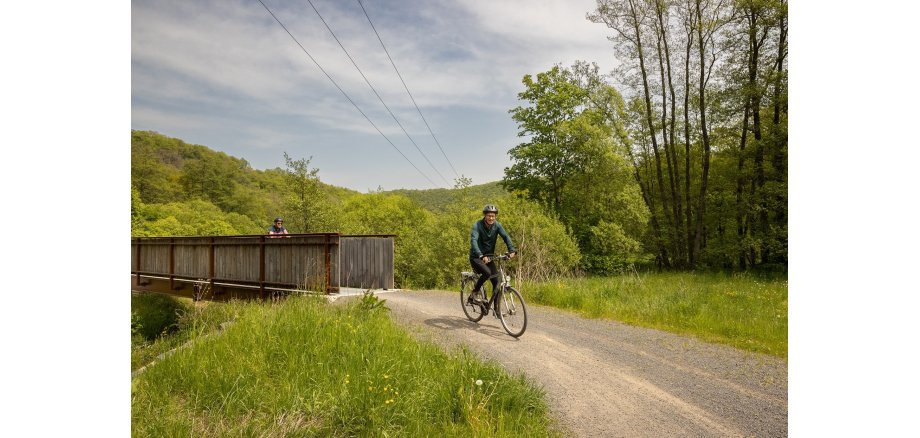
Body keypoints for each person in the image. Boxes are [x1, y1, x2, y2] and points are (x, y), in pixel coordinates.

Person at [469, 204, 516, 303]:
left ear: (495, 217)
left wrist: (511, 250)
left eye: (493, 216)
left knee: (497, 282)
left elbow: (506, 236)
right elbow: (473, 240)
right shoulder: (477, 225)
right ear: (485, 216)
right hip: (476, 257)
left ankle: (496, 309)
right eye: (489, 216)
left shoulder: (497, 225)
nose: (491, 218)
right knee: (487, 273)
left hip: (489, 258)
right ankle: (474, 293)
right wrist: (480, 254)